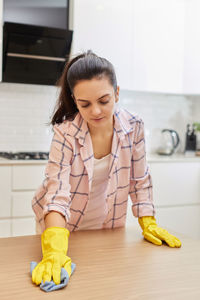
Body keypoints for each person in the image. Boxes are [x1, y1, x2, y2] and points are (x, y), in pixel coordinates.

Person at [31, 50, 181, 287]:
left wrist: (148, 222)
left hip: (108, 223)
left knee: (107, 283)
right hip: (62, 227)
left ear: (117, 93)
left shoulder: (134, 126)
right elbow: (56, 193)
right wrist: (53, 250)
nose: (96, 111)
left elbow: (139, 180)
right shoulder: (65, 133)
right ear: (74, 99)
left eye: (104, 100)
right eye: (85, 104)